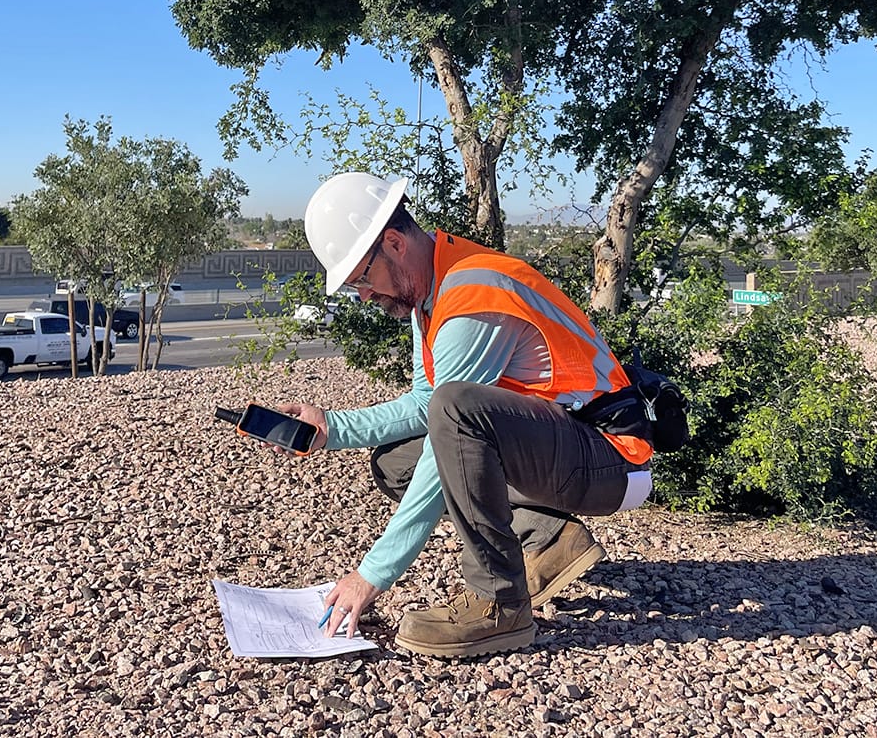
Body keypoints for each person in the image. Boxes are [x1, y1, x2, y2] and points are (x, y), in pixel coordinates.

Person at [272, 172, 655, 658]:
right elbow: (423, 404)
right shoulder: (430, 291)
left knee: (456, 412)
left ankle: (500, 604)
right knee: (394, 461)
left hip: (612, 456)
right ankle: (548, 538)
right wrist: (330, 428)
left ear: (393, 244)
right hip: (562, 446)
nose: (364, 296)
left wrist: (371, 575)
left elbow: (448, 430)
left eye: (362, 279)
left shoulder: (474, 293)